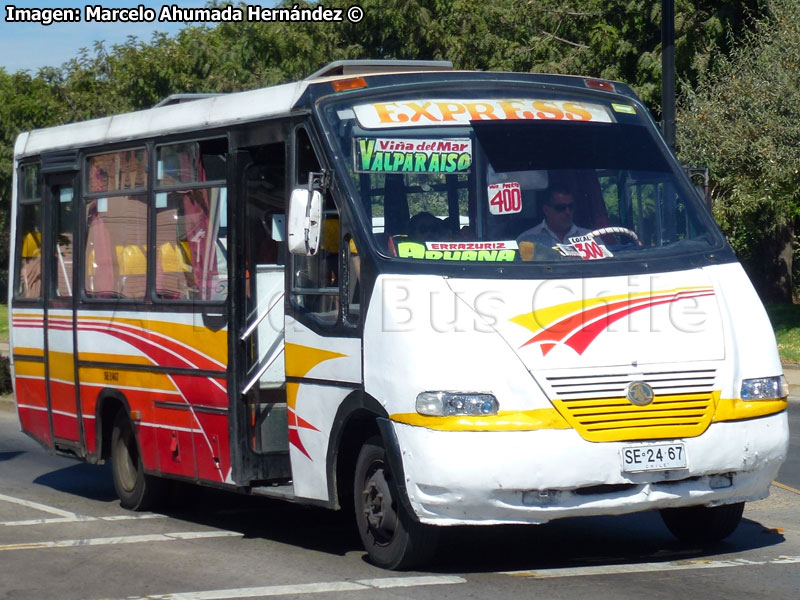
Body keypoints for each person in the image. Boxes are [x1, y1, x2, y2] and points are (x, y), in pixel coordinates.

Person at [516, 188, 589, 245]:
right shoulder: (526, 239)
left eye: (571, 206)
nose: (567, 212)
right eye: (561, 207)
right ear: (546, 210)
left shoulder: (589, 237)